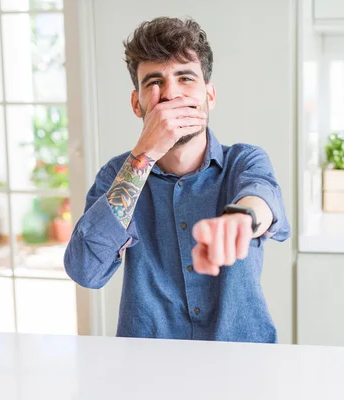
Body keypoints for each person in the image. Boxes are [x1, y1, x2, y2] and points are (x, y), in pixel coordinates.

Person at [64, 17, 291, 343]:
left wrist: (243, 218)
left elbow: (261, 196)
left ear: (209, 96)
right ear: (136, 102)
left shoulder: (243, 161)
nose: (170, 93)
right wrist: (144, 154)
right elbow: (86, 270)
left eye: (185, 78)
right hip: (147, 368)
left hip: (244, 362)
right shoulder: (116, 176)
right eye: (154, 82)